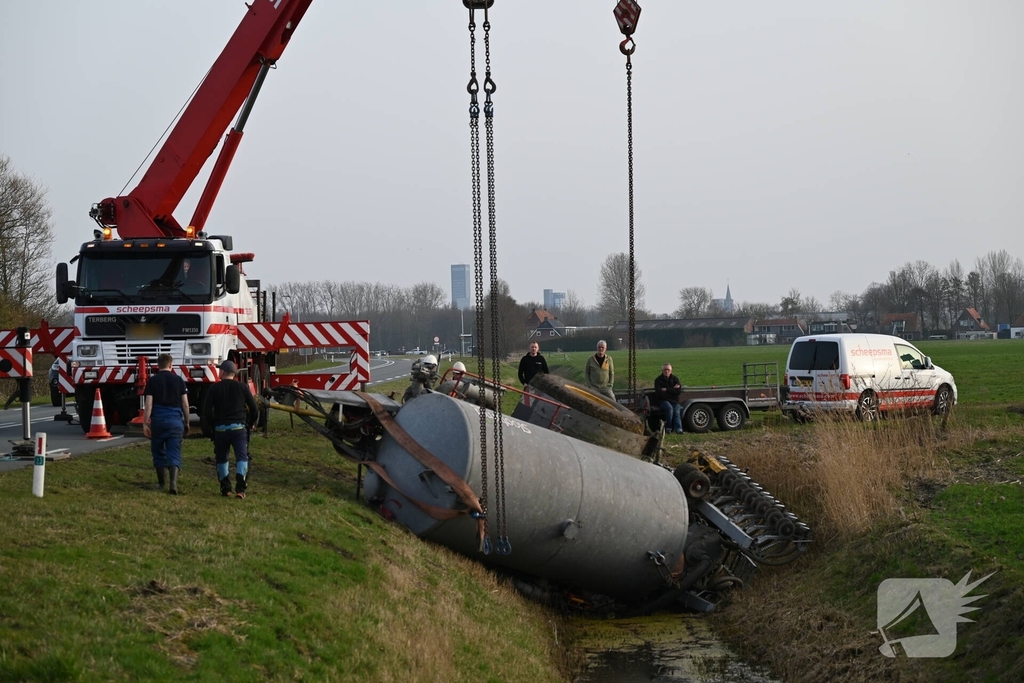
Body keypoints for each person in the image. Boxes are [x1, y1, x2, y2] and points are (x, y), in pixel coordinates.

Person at [202, 360, 259, 498]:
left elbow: (207, 411)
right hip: (239, 428)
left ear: (223, 372)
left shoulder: (214, 389)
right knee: (242, 457)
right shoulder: (242, 387)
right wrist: (250, 423)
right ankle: (240, 489)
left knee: (222, 459)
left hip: (221, 429)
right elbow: (254, 408)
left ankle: (225, 488)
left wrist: (213, 426)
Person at [143, 353, 190, 494]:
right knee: (174, 451)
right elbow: (185, 404)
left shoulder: (152, 381)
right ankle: (173, 484)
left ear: (158, 366)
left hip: (158, 421)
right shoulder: (179, 380)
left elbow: (149, 404)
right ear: (171, 365)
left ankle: (161, 483)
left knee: (158, 451)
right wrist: (187, 422)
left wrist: (145, 423)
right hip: (175, 421)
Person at [654, 363, 684, 434]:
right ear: (662, 370)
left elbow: (678, 391)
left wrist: (666, 390)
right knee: (669, 408)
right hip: (663, 401)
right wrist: (672, 390)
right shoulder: (658, 380)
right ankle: (668, 428)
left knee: (676, 412)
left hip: (674, 401)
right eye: (665, 369)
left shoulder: (675, 379)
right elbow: (659, 393)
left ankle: (679, 429)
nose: (666, 371)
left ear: (671, 371)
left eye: (668, 369)